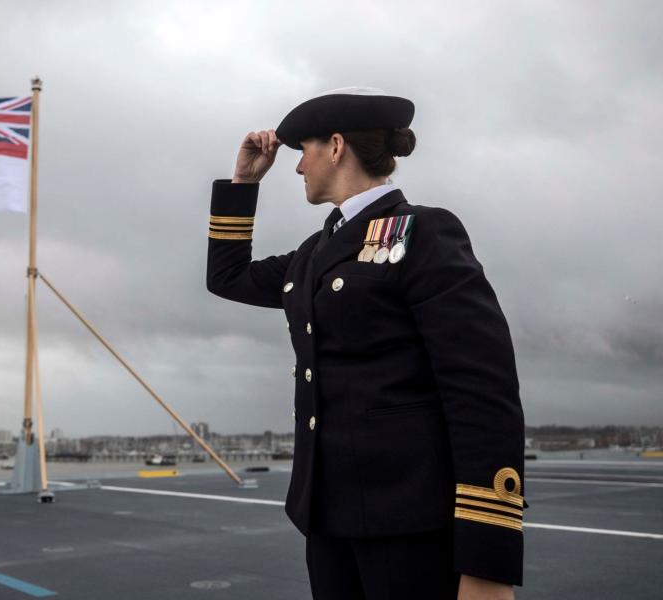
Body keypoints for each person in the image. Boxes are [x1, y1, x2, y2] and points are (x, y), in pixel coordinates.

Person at [205, 88, 525, 600]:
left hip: (410, 525)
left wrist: (487, 563)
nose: (296, 168)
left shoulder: (424, 233)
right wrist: (243, 184)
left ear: (335, 147)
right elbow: (228, 278)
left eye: (302, 151)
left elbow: (481, 391)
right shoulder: (314, 253)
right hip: (328, 519)